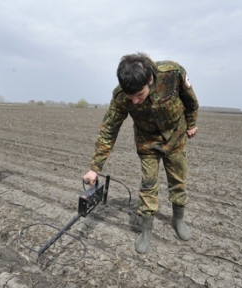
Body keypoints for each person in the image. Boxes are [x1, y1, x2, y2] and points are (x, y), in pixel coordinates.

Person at [82, 53, 199, 254]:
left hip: (175, 137)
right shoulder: (121, 97)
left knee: (178, 180)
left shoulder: (172, 73)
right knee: (148, 185)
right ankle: (146, 230)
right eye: (131, 96)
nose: (135, 101)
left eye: (139, 94)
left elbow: (191, 101)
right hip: (147, 143)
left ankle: (178, 220)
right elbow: (109, 129)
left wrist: (192, 123)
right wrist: (95, 168)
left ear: (150, 80)